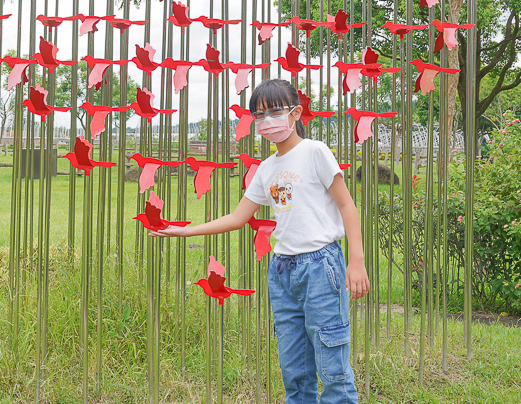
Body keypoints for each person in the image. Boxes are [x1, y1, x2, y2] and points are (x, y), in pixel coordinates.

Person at [151, 78, 369, 403]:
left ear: (295, 114)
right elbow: (238, 218)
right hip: (282, 272)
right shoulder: (266, 169)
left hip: (321, 267)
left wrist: (356, 261)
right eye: (259, 115)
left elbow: (346, 205)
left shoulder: (315, 152)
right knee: (294, 369)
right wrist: (184, 230)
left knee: (332, 364)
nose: (267, 122)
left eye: (274, 112)